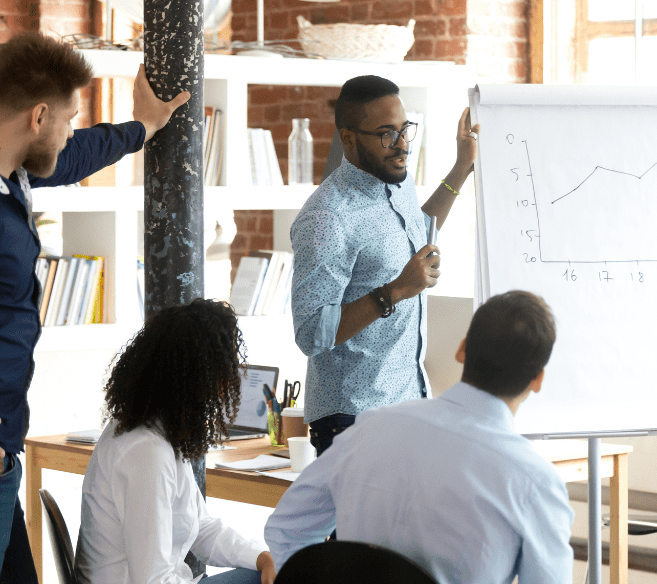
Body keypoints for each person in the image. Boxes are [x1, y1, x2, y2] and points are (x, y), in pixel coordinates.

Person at [0, 32, 189, 581]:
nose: (70, 133)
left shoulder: (17, 168)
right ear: (39, 116)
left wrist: (143, 127)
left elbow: (75, 153)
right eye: (69, 119)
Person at [265, 290, 574, 584]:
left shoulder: (371, 428)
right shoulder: (534, 481)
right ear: (537, 380)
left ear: (462, 349)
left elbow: (287, 527)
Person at [289, 74, 480, 454]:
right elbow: (311, 333)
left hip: (408, 401)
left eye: (404, 129)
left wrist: (462, 167)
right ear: (348, 138)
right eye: (386, 133)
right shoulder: (328, 216)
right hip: (353, 419)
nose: (402, 144)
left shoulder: (395, 180)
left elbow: (416, 229)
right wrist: (397, 291)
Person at [73, 299, 275, 584]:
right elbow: (152, 580)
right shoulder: (146, 451)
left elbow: (202, 527)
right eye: (224, 368)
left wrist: (262, 557)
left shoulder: (156, 430)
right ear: (196, 376)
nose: (229, 381)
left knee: (269, 570)